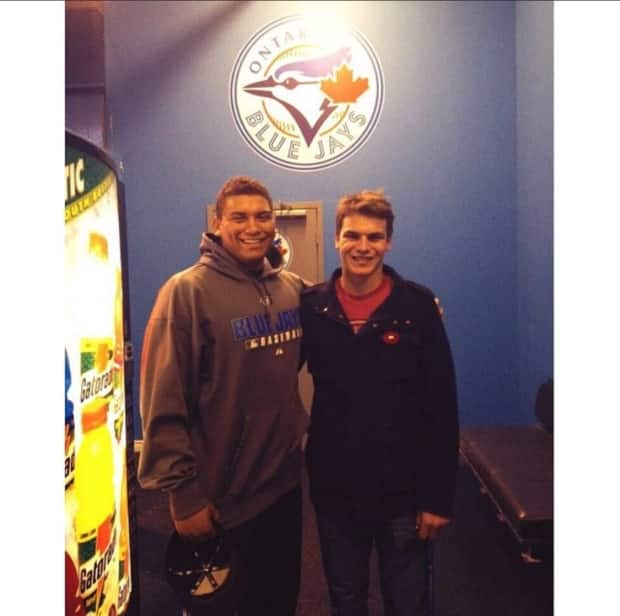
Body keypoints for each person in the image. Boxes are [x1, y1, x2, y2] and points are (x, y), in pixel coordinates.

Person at [138, 175, 308, 615]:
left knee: (278, 602)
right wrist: (183, 497)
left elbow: (340, 321)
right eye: (239, 217)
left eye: (262, 216)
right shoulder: (186, 293)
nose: (253, 226)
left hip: (284, 488)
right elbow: (163, 402)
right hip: (221, 500)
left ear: (274, 223)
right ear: (217, 223)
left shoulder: (290, 290)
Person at [300, 190, 459, 616]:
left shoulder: (418, 307)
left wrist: (438, 499)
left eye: (374, 237)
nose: (363, 247)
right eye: (353, 235)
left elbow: (442, 407)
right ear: (337, 239)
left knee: (407, 603)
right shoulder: (312, 307)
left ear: (388, 242)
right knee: (345, 598)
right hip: (335, 488)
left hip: (404, 492)